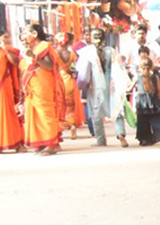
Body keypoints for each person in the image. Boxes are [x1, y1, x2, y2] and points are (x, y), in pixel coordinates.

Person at [20, 23, 65, 155]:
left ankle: (51, 144)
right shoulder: (30, 48)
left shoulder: (44, 46)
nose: (23, 36)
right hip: (32, 85)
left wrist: (34, 57)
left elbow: (49, 66)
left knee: (45, 112)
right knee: (34, 114)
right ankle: (41, 142)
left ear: (34, 34)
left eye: (25, 33)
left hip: (42, 84)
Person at [75, 28, 112, 147]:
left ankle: (101, 139)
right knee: (117, 109)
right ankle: (121, 134)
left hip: (94, 86)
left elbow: (82, 73)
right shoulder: (110, 51)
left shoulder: (87, 52)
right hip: (110, 85)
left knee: (96, 113)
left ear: (91, 37)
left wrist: (81, 85)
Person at [133, 49, 160, 147]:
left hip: (142, 102)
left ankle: (145, 139)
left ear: (141, 67)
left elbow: (130, 87)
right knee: (157, 119)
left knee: (142, 121)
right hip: (153, 101)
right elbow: (159, 91)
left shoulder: (138, 77)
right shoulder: (155, 77)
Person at [0, 31, 23, 152]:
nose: (8, 39)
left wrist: (5, 48)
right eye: (5, 37)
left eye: (8, 37)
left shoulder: (8, 49)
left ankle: (16, 142)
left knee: (8, 113)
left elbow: (15, 62)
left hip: (4, 85)